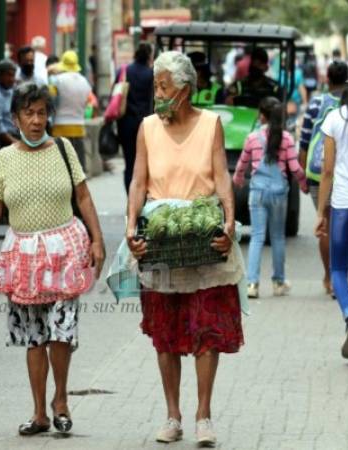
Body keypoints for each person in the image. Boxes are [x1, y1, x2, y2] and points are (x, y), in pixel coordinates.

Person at [0, 83, 105, 436]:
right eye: (29, 113)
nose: (37, 120)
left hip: (65, 249)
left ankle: (61, 400)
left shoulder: (64, 150)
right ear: (16, 118)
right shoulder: (4, 159)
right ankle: (40, 413)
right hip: (24, 255)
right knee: (34, 336)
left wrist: (98, 240)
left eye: (42, 112)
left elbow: (83, 196)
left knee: (62, 328)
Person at [126, 51, 243, 446]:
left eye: (163, 86)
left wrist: (229, 220)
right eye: (155, 86)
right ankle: (173, 415)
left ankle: (203, 415)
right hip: (161, 241)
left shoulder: (210, 125)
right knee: (166, 332)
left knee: (207, 331)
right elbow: (139, 181)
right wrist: (129, 226)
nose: (157, 93)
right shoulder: (146, 127)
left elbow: (221, 175)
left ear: (186, 89)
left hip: (202, 238)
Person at [314, 57, 348, 361]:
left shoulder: (335, 118)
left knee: (337, 269)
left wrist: (321, 212)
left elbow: (327, 171)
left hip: (344, 207)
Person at [234, 97, 308, 299]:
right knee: (277, 237)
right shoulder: (286, 139)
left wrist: (238, 179)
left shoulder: (252, 138)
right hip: (278, 194)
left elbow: (242, 165)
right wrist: (303, 183)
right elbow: (294, 168)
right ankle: (278, 282)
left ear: (262, 116)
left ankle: (252, 284)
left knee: (257, 237)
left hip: (257, 192)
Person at [299, 61, 348, 296]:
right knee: (345, 226)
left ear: (327, 78)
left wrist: (302, 173)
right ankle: (346, 278)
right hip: (346, 173)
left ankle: (329, 278)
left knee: (325, 226)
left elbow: (305, 140)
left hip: (318, 173)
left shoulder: (317, 102)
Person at [116, 42, 153, 192]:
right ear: (149, 56)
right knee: (145, 162)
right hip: (146, 124)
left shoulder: (124, 71)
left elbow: (116, 95)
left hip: (126, 123)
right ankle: (141, 196)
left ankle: (130, 197)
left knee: (129, 163)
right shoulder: (151, 74)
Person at [50, 50, 92, 170]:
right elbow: (88, 102)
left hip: (60, 127)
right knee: (78, 168)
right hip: (79, 127)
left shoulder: (57, 80)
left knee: (60, 168)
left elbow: (50, 98)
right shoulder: (85, 82)